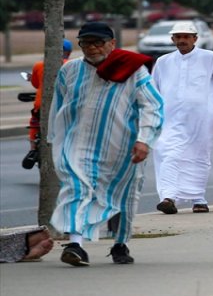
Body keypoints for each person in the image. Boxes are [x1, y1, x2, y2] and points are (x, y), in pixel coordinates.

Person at [50, 22, 164, 266]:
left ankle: (120, 244)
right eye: (86, 43)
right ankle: (75, 245)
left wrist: (144, 140)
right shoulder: (69, 71)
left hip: (122, 148)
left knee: (123, 196)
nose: (92, 48)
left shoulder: (133, 70)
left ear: (112, 43)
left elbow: (152, 106)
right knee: (76, 189)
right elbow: (58, 107)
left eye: (98, 43)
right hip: (77, 145)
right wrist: (55, 139)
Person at [151, 21, 213, 214]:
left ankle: (199, 198)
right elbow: (153, 89)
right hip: (169, 117)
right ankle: (168, 197)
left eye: (186, 37)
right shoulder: (163, 61)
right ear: (173, 39)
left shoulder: (210, 58)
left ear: (195, 39)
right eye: (178, 37)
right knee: (166, 151)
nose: (182, 40)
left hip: (203, 117)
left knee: (198, 155)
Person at [23, 39, 73, 169]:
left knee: (34, 121)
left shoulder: (39, 66)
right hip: (62, 106)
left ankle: (33, 147)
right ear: (68, 52)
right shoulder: (72, 65)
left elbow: (35, 83)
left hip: (42, 106)